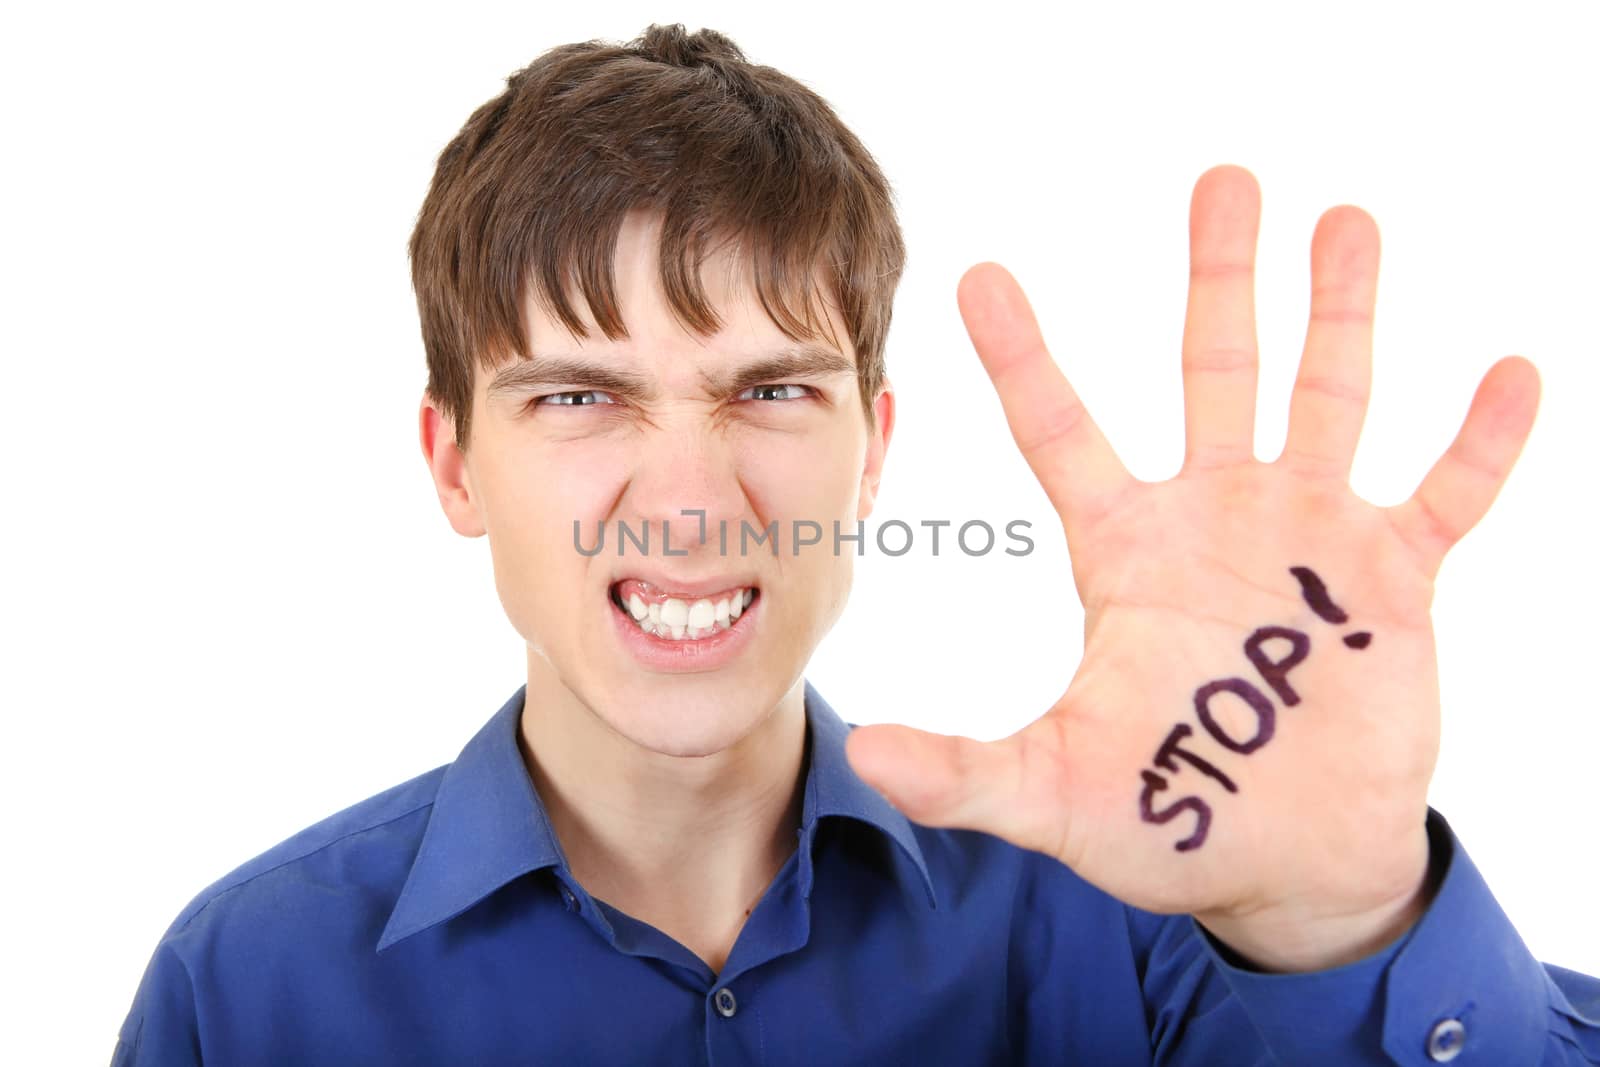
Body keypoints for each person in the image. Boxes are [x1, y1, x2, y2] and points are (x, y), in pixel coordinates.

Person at [112, 22, 1600, 1066]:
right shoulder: (245, 992)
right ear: (454, 464)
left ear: (874, 448)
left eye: (770, 390)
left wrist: (1345, 925)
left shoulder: (1141, 916)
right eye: (579, 395)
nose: (688, 502)